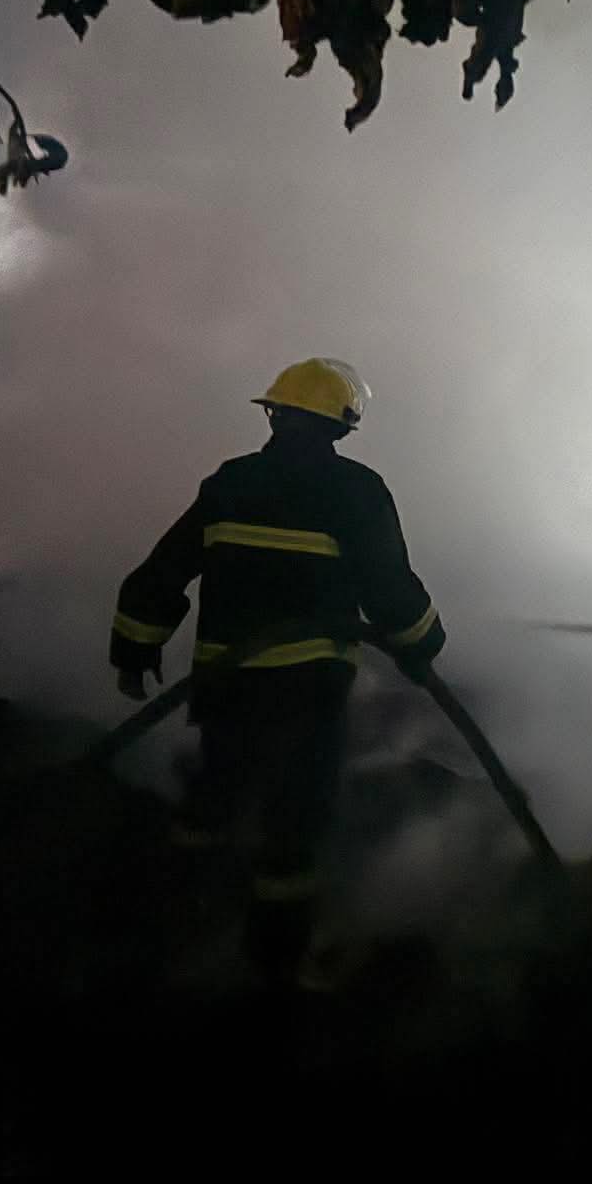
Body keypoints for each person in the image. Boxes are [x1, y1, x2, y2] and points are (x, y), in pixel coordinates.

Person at [108, 358, 444, 981]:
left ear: (275, 414)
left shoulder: (230, 483)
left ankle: (180, 915)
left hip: (225, 685)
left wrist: (135, 648)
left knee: (216, 792)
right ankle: (277, 967)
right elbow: (391, 591)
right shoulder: (357, 490)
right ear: (343, 427)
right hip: (307, 693)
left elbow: (164, 570)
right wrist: (424, 648)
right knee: (294, 827)